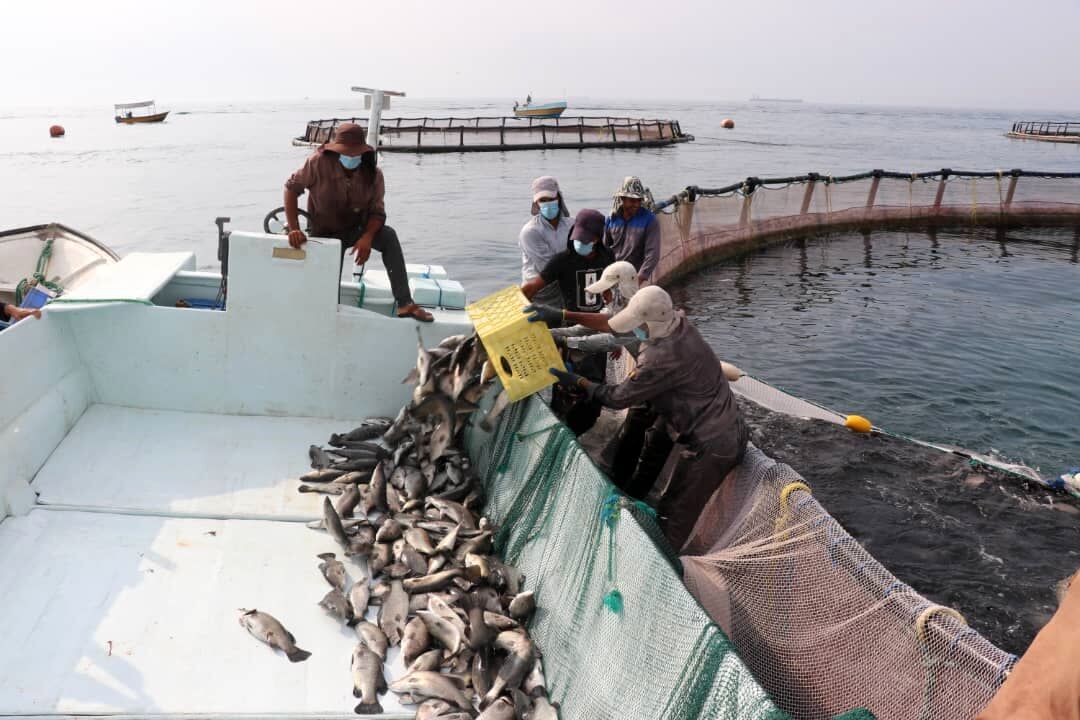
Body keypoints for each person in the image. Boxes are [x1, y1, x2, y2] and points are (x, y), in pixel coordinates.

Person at [546, 285, 748, 551]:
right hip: (718, 419)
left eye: (638, 325)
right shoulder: (680, 324)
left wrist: (580, 381)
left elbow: (618, 398)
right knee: (653, 442)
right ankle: (632, 501)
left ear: (651, 324)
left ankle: (661, 567)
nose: (635, 330)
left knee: (673, 511)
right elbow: (615, 330)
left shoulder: (659, 356)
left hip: (713, 444)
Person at [283, 122, 433, 322]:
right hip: (324, 233)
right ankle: (323, 312)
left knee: (388, 236)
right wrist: (294, 228)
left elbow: (378, 213)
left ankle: (405, 303)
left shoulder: (374, 174)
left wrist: (368, 238)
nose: (351, 157)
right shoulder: (317, 162)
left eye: (356, 153)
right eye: (346, 152)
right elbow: (291, 188)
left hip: (357, 229)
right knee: (326, 292)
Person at [521, 209, 615, 435]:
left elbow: (612, 295)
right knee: (564, 385)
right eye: (577, 238)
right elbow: (532, 287)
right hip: (570, 332)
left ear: (597, 238)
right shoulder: (563, 260)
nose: (579, 243)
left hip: (598, 329)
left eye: (586, 239)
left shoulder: (608, 258)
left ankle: (574, 433)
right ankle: (559, 430)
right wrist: (512, 311)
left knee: (593, 391)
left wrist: (617, 336)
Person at [518, 176, 571, 308]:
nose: (547, 204)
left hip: (565, 291)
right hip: (539, 294)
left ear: (558, 199)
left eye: (551, 199)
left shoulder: (572, 224)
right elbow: (548, 269)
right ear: (536, 203)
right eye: (543, 200)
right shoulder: (531, 231)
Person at [603, 176, 661, 284]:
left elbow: (653, 254)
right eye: (632, 200)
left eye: (638, 200)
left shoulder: (649, 220)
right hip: (612, 274)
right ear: (623, 199)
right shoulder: (612, 219)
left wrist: (639, 279)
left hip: (636, 276)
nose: (636, 204)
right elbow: (604, 248)